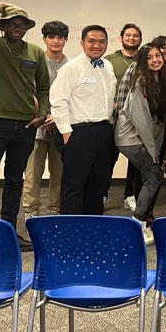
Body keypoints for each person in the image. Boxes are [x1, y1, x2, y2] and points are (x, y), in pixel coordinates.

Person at [0, 2, 49, 251]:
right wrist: (1, 6)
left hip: (25, 125)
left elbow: (44, 88)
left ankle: (8, 233)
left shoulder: (36, 52)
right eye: (12, 24)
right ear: (3, 26)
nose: (18, 28)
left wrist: (43, 113)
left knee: (15, 180)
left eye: (23, 24)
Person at [50, 25, 117, 215]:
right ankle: (71, 232)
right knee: (74, 186)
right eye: (92, 41)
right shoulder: (71, 68)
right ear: (82, 43)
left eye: (101, 41)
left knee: (98, 185)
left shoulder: (107, 65)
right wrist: (66, 133)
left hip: (104, 131)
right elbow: (58, 101)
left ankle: (93, 229)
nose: (97, 45)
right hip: (78, 132)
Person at [115, 45, 166, 244]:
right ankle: (139, 223)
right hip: (129, 138)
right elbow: (142, 119)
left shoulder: (160, 80)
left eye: (158, 56)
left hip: (144, 138)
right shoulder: (140, 81)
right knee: (154, 176)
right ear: (142, 62)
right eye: (150, 58)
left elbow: (159, 120)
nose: (155, 60)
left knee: (150, 176)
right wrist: (153, 150)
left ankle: (143, 220)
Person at [22, 20, 69, 219]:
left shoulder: (71, 65)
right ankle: (31, 213)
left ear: (66, 40)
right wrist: (43, 114)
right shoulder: (36, 61)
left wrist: (57, 118)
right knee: (32, 175)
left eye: (60, 37)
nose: (56, 41)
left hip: (61, 127)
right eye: (51, 37)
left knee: (59, 175)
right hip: (37, 125)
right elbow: (29, 91)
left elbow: (72, 96)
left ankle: (54, 212)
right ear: (44, 39)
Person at [106, 23, 143, 211]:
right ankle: (103, 194)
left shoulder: (145, 60)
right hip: (111, 116)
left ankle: (130, 195)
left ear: (140, 39)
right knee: (107, 157)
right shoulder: (109, 60)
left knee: (135, 159)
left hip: (135, 118)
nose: (132, 38)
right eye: (128, 35)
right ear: (121, 38)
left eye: (136, 36)